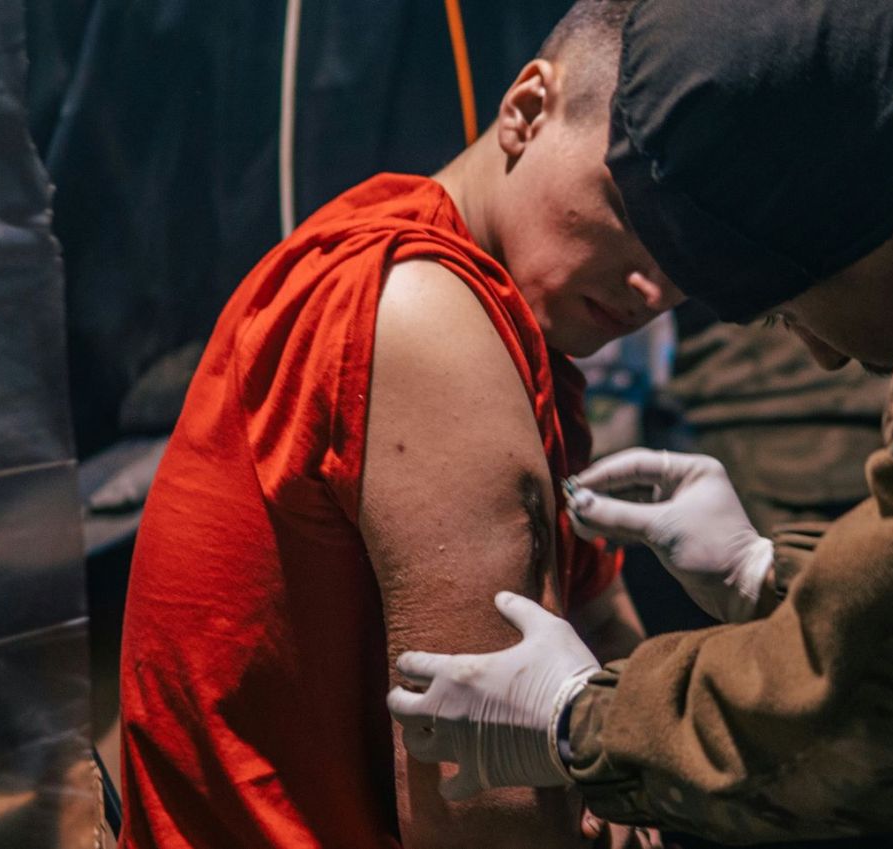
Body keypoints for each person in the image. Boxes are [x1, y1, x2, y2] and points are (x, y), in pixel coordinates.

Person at [387, 0, 893, 843]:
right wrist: (774, 577)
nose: (825, 356)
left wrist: (582, 718)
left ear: (844, 224)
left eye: (785, 310)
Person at [115, 2, 681, 846]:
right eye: (632, 210)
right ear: (526, 109)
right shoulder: (423, 308)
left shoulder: (516, 324)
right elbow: (490, 815)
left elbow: (604, 629)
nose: (654, 290)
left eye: (690, 256)